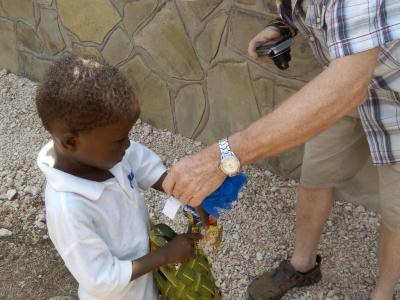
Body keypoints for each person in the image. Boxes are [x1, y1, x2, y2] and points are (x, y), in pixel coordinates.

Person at [162, 0, 400, 299]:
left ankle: (383, 293)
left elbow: (348, 85)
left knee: (396, 211)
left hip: (385, 92)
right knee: (316, 176)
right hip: (345, 78)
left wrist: (222, 156)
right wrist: (281, 27)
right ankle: (302, 265)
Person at [35, 54, 201, 300]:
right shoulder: (68, 210)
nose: (127, 145)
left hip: (147, 285)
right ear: (72, 142)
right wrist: (165, 256)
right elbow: (101, 279)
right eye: (119, 139)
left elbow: (145, 166)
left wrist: (186, 196)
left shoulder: (109, 155)